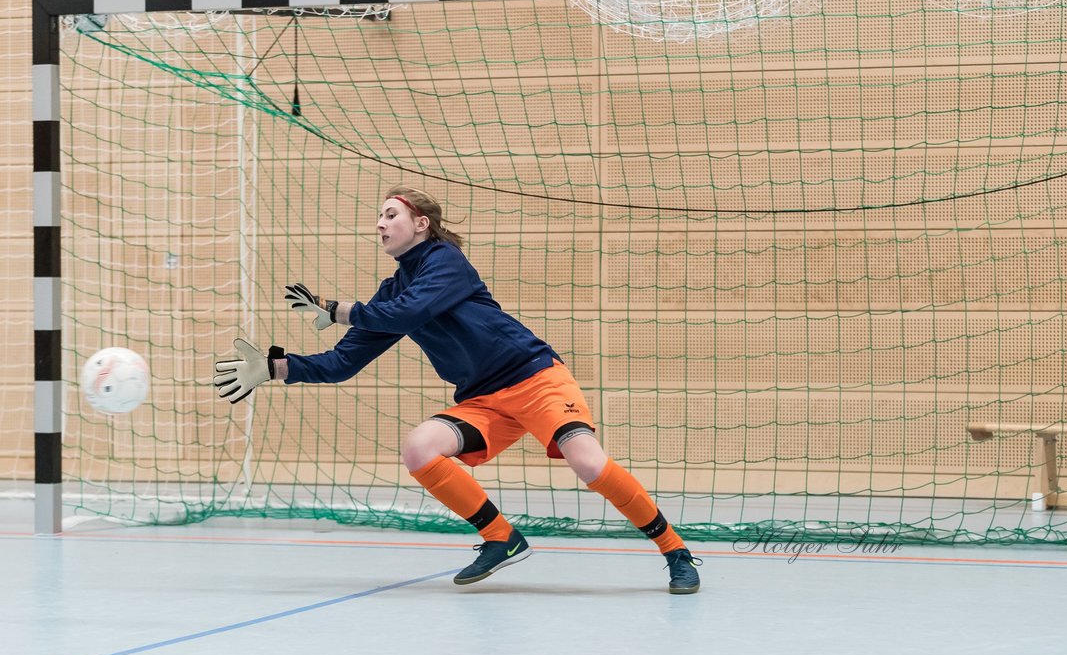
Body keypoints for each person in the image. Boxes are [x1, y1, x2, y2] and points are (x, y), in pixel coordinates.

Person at [213, 187, 701, 594]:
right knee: (420, 448)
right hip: (484, 399)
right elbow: (343, 363)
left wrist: (337, 307)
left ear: (421, 223)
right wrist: (276, 368)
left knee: (588, 463)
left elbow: (403, 315)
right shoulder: (389, 294)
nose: (380, 225)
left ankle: (675, 550)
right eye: (378, 218)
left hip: (535, 379)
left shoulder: (446, 261)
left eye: (390, 215)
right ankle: (501, 537)